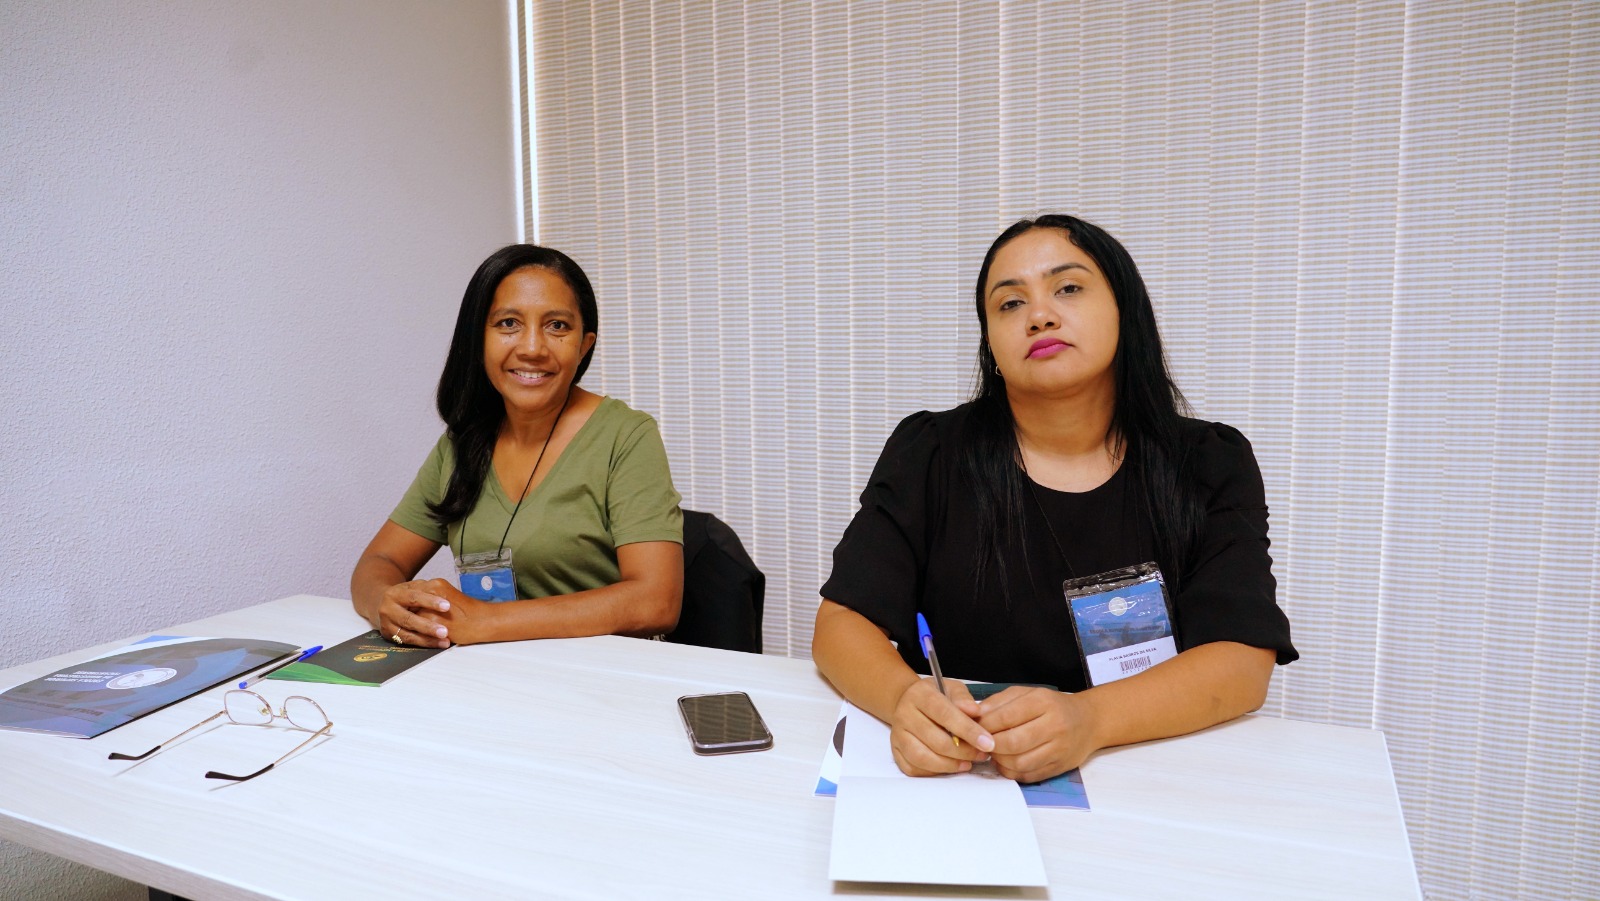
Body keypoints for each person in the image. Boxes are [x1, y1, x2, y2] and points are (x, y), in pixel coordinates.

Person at [813, 215, 1297, 784]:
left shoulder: (1209, 462)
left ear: (1125, 311)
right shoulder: (931, 453)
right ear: (991, 344)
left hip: (1141, 768)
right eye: (1010, 303)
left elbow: (1241, 661)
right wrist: (904, 701)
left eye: (1067, 288)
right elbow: (841, 623)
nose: (1039, 315)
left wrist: (1090, 720)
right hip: (962, 773)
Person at [351, 245, 683, 647]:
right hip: (496, 669)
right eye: (508, 323)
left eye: (557, 326)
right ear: (479, 339)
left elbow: (656, 602)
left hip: (603, 672)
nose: (532, 348)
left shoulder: (626, 435)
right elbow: (378, 562)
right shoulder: (462, 443)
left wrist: (487, 622)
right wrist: (387, 604)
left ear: (584, 345)